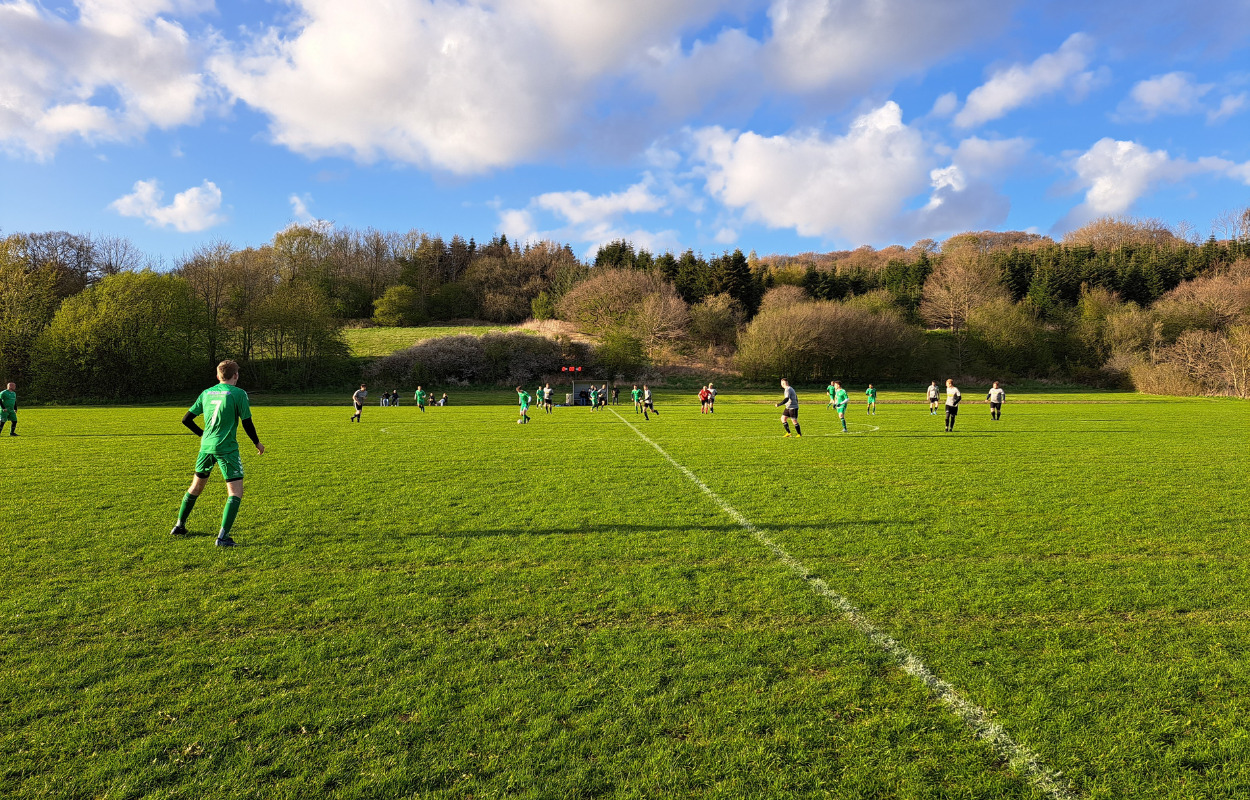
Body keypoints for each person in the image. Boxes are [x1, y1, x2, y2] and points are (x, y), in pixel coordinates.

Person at [170, 360, 264, 548]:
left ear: (218, 376)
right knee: (236, 492)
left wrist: (203, 435)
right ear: (236, 375)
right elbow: (247, 422)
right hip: (226, 447)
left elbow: (186, 419)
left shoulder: (206, 393)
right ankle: (222, 537)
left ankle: (179, 525)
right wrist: (257, 442)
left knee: (196, 487)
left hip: (206, 447)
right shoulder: (238, 394)